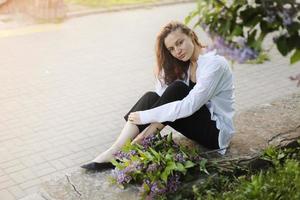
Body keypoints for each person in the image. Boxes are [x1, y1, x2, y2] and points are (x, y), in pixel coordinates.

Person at [81, 21, 235, 171]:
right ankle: (117, 149)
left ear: (191, 35)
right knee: (151, 97)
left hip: (216, 134)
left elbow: (188, 106)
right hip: (200, 124)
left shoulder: (214, 64)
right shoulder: (187, 64)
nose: (177, 51)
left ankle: (136, 144)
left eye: (180, 43)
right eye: (172, 49)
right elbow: (162, 97)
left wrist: (145, 116)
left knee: (178, 89)